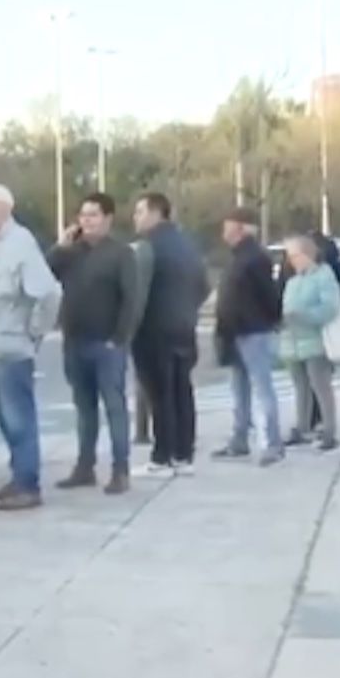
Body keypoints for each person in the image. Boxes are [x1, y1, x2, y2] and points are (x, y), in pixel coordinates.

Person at [0, 183, 60, 511]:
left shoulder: (19, 244)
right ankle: (18, 475)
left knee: (19, 419)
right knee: (7, 420)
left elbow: (48, 294)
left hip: (13, 348)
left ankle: (28, 484)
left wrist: (33, 333)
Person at [47, 192, 145, 494]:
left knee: (114, 406)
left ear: (108, 219)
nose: (86, 221)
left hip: (106, 344)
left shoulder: (121, 254)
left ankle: (120, 470)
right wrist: (61, 245)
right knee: (84, 407)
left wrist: (120, 338)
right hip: (75, 340)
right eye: (83, 215)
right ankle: (84, 466)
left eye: (93, 215)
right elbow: (45, 271)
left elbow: (133, 299)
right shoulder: (71, 253)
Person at [130, 192, 208, 477]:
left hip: (154, 329)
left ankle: (162, 456)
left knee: (159, 394)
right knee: (181, 392)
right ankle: (183, 455)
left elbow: (136, 292)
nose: (135, 217)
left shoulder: (147, 248)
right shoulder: (188, 246)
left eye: (139, 211)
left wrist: (128, 327)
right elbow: (203, 285)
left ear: (155, 213)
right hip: (184, 327)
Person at [212, 208, 282, 464]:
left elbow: (269, 295)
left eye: (228, 227)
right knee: (238, 389)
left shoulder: (255, 258)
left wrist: (269, 319)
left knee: (262, 388)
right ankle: (239, 438)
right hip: (235, 330)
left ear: (240, 229)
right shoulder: (237, 257)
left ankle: (272, 444)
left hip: (253, 330)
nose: (223, 233)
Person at [277, 234, 340, 451]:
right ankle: (302, 426)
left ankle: (329, 430)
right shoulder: (294, 280)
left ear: (308, 254)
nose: (292, 261)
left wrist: (303, 316)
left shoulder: (323, 276)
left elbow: (331, 308)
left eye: (295, 256)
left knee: (320, 386)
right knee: (300, 386)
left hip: (314, 340)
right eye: (290, 257)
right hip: (292, 341)